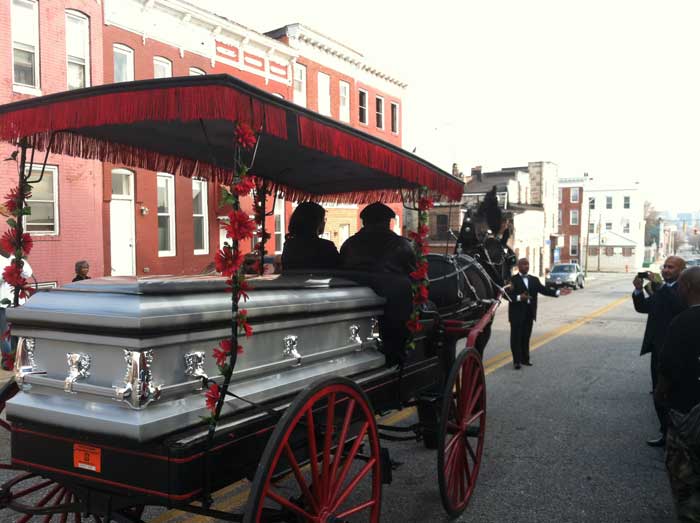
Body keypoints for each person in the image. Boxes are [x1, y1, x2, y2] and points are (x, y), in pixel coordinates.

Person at [655, 266, 700, 520]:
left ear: (688, 288)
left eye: (681, 286)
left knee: (686, 482)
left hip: (687, 416)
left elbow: (667, 367)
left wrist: (661, 393)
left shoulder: (683, 322)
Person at [633, 256, 686, 447]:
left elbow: (680, 307)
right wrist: (639, 290)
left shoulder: (684, 289)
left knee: (673, 394)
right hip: (658, 349)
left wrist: (661, 287)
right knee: (658, 392)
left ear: (681, 270)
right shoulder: (661, 289)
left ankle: (678, 436)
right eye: (664, 266)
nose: (665, 270)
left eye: (670, 267)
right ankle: (665, 433)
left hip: (676, 350)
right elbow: (643, 307)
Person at [507, 258, 569, 370]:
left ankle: (525, 359)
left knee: (526, 337)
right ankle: (516, 361)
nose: (526, 266)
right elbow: (506, 295)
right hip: (516, 314)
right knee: (516, 338)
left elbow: (544, 290)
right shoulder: (512, 280)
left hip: (529, 313)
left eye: (528, 264)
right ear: (518, 266)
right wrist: (519, 297)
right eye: (524, 264)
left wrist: (558, 292)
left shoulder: (534, 280)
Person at [339, 202, 416, 274]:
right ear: (387, 223)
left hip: (353, 287)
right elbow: (415, 274)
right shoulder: (401, 245)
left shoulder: (349, 244)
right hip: (391, 287)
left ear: (364, 223)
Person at [281, 202, 339, 272]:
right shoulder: (327, 246)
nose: (324, 222)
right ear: (316, 222)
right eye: (323, 219)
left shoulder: (289, 245)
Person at [0, 254, 32, 363]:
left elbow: (28, 273)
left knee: (18, 332)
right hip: (2, 304)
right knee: (5, 334)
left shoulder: (16, 258)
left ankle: (19, 359)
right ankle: (8, 360)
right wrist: (6, 275)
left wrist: (21, 266)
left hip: (19, 303)